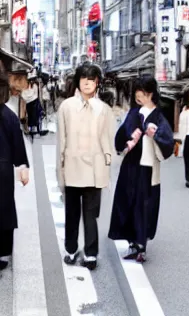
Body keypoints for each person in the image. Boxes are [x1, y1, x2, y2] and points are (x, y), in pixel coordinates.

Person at [108, 75, 174, 263]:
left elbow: (168, 143)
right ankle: (132, 242)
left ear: (150, 94)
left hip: (148, 168)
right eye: (137, 94)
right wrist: (129, 139)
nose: (139, 97)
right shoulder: (133, 113)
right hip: (131, 165)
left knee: (144, 205)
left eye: (143, 94)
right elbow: (120, 138)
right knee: (127, 202)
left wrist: (154, 136)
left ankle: (141, 244)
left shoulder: (159, 116)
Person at [57, 62, 115, 270]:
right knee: (72, 214)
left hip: (94, 170)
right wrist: (60, 172)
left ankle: (91, 254)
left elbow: (108, 141)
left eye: (92, 79)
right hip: (71, 169)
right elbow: (61, 143)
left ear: (97, 82)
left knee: (91, 216)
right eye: (84, 79)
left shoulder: (104, 109)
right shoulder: (66, 107)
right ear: (78, 82)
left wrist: (107, 167)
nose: (88, 83)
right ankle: (71, 250)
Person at [0, 72, 29, 273]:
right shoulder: (8, 115)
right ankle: (2, 252)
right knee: (3, 209)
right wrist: (22, 168)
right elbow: (17, 144)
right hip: (3, 169)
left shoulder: (8, 115)